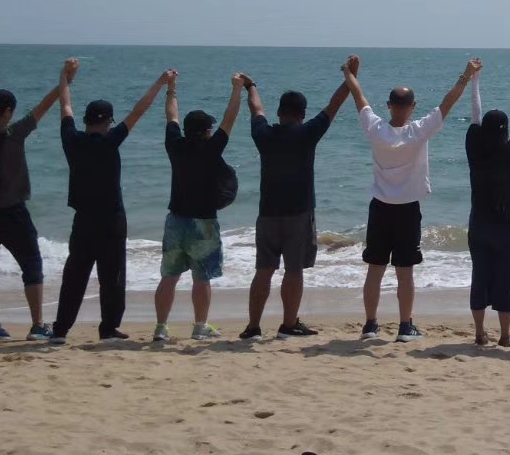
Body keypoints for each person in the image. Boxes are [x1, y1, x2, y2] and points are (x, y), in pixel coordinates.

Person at [347, 56, 481, 343]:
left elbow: (359, 98)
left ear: (389, 105)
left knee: (375, 270)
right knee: (404, 272)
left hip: (380, 208)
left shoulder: (376, 129)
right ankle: (405, 326)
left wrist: (350, 74)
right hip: (407, 211)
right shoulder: (419, 130)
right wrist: (466, 75)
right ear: (412, 107)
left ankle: (370, 325)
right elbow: (448, 102)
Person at [49, 65, 170, 345]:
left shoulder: (72, 140)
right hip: (111, 219)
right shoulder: (110, 141)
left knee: (75, 275)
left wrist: (65, 77)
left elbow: (65, 106)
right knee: (112, 276)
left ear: (86, 120)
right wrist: (160, 82)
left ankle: (60, 330)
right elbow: (139, 111)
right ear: (109, 122)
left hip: (83, 219)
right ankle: (108, 329)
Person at [239, 63, 354, 340]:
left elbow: (256, 109)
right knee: (293, 270)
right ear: (302, 114)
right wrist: (351, 77)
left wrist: (250, 86)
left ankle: (253, 327)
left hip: (267, 213)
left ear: (279, 112)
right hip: (299, 213)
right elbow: (334, 105)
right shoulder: (307, 133)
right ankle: (288, 324)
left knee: (263, 270)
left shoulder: (264, 134)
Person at [0, 62, 68, 342]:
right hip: (13, 213)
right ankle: (37, 325)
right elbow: (43, 107)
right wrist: (65, 80)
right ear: (7, 112)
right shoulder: (15, 135)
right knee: (32, 264)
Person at [153, 72, 243, 342]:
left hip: (175, 220)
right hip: (203, 223)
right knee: (201, 278)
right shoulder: (211, 148)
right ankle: (200, 326)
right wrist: (237, 89)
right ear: (206, 131)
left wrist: (171, 89)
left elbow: (171, 116)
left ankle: (161, 328)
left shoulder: (174, 145)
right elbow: (230, 118)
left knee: (169, 276)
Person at [465, 72, 510, 347]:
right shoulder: (509, 151)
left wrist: (474, 81)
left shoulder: (473, 147)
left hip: (478, 224)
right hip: (506, 226)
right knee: (506, 277)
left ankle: (479, 333)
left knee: (479, 275)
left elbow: (475, 112)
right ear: (505, 130)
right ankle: (505, 336)